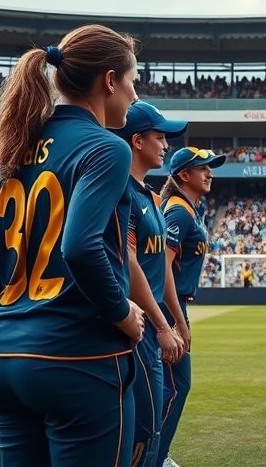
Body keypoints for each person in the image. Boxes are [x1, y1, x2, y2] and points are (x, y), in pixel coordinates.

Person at [0, 25, 145, 467]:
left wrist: (15, 308)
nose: (135, 95)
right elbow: (80, 246)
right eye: (133, 81)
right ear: (110, 81)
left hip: (3, 357)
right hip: (79, 359)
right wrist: (121, 313)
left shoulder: (14, 147)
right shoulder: (107, 148)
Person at [112, 101, 189, 467]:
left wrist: (175, 321)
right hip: (137, 326)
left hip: (149, 323)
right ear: (137, 141)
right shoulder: (122, 191)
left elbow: (160, 266)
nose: (165, 145)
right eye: (159, 137)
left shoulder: (150, 196)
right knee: (143, 429)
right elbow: (128, 263)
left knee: (151, 428)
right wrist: (161, 325)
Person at [156, 146, 226, 467]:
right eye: (203, 168)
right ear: (184, 175)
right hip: (167, 308)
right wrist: (178, 323)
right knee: (174, 387)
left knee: (172, 387)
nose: (210, 173)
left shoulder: (189, 209)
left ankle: (157, 455)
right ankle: (154, 458)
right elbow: (162, 269)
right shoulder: (179, 212)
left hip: (173, 306)